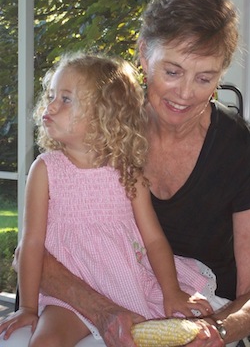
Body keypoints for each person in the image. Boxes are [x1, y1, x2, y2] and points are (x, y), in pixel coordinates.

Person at [1, 0, 250, 347]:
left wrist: (218, 330)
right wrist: (102, 311)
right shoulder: (102, 133)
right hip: (89, 300)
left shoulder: (242, 150)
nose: (185, 93)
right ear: (145, 55)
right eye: (173, 72)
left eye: (204, 78)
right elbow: (31, 250)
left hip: (198, 308)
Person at [0, 51, 228, 347]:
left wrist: (171, 291)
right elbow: (30, 244)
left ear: (102, 114)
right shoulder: (46, 169)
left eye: (66, 99)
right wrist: (28, 308)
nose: (51, 106)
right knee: (44, 343)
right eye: (51, 95)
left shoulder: (127, 172)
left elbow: (154, 240)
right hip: (68, 299)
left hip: (128, 288)